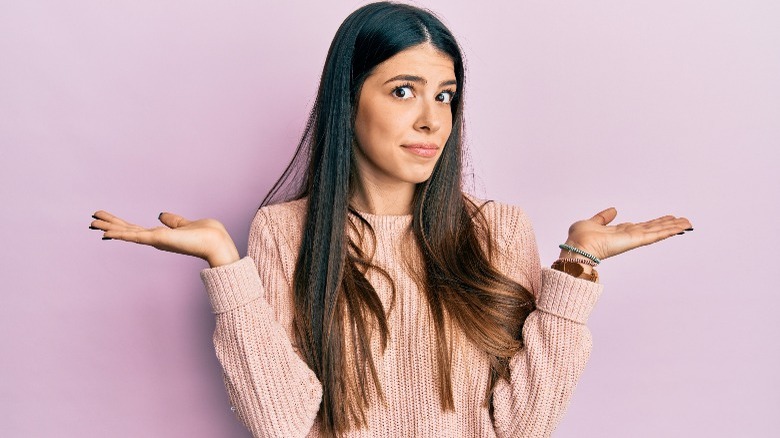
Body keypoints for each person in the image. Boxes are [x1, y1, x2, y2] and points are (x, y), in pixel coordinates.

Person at [89, 2, 692, 437]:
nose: (432, 119)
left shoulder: (499, 230)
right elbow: (282, 424)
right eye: (404, 90)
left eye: (446, 94)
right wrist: (228, 266)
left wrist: (574, 267)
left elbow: (524, 426)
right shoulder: (284, 233)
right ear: (348, 101)